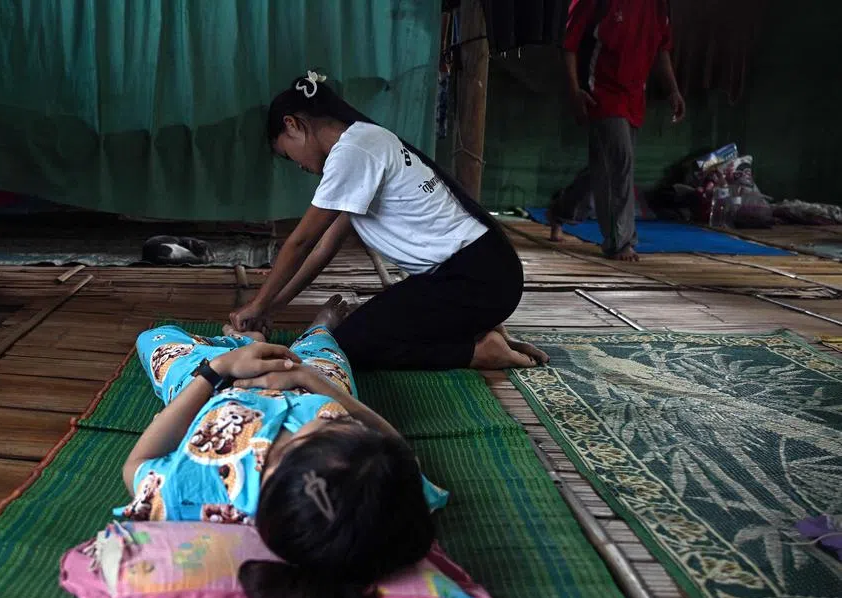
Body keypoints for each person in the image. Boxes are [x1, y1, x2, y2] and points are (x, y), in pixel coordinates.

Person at [119, 297, 443, 598]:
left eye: (335, 425)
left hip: (216, 387)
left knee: (154, 339)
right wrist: (315, 384)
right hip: (313, 381)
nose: (350, 423)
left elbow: (135, 467)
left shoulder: (207, 482)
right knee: (320, 351)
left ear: (294, 463)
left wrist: (215, 371)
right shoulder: (384, 490)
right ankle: (316, 329)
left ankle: (239, 342)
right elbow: (402, 453)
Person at [229, 72, 548, 372]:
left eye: (287, 154)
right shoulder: (366, 141)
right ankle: (480, 329)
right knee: (377, 324)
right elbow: (324, 249)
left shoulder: (351, 152)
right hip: (486, 274)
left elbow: (302, 242)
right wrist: (272, 307)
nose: (297, 166)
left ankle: (478, 352)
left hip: (474, 281)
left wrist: (257, 303)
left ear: (292, 125)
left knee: (349, 347)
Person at [547, 0, 685, 262]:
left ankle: (561, 209)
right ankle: (619, 241)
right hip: (601, 93)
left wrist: (673, 90)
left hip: (634, 96)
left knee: (606, 166)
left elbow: (662, 49)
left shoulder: (658, 6)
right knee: (620, 162)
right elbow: (568, 43)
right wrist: (574, 91)